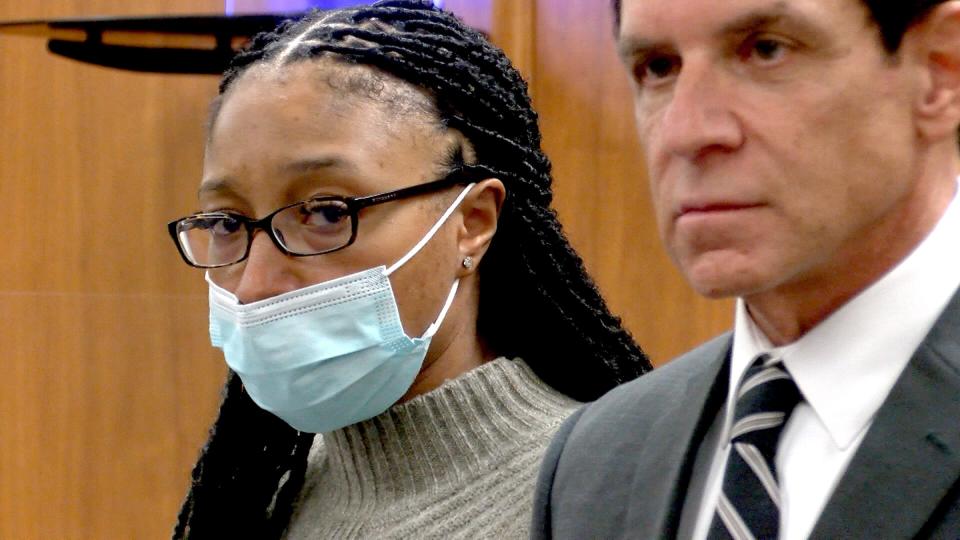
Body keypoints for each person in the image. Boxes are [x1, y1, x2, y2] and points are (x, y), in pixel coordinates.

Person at [165, 1, 650, 538]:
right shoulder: (260, 494)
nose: (255, 285)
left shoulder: (600, 500)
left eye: (327, 212)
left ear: (471, 222)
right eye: (228, 222)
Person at [532, 0, 960, 538]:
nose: (686, 132)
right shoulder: (593, 462)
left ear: (940, 70)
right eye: (658, 67)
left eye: (766, 51)